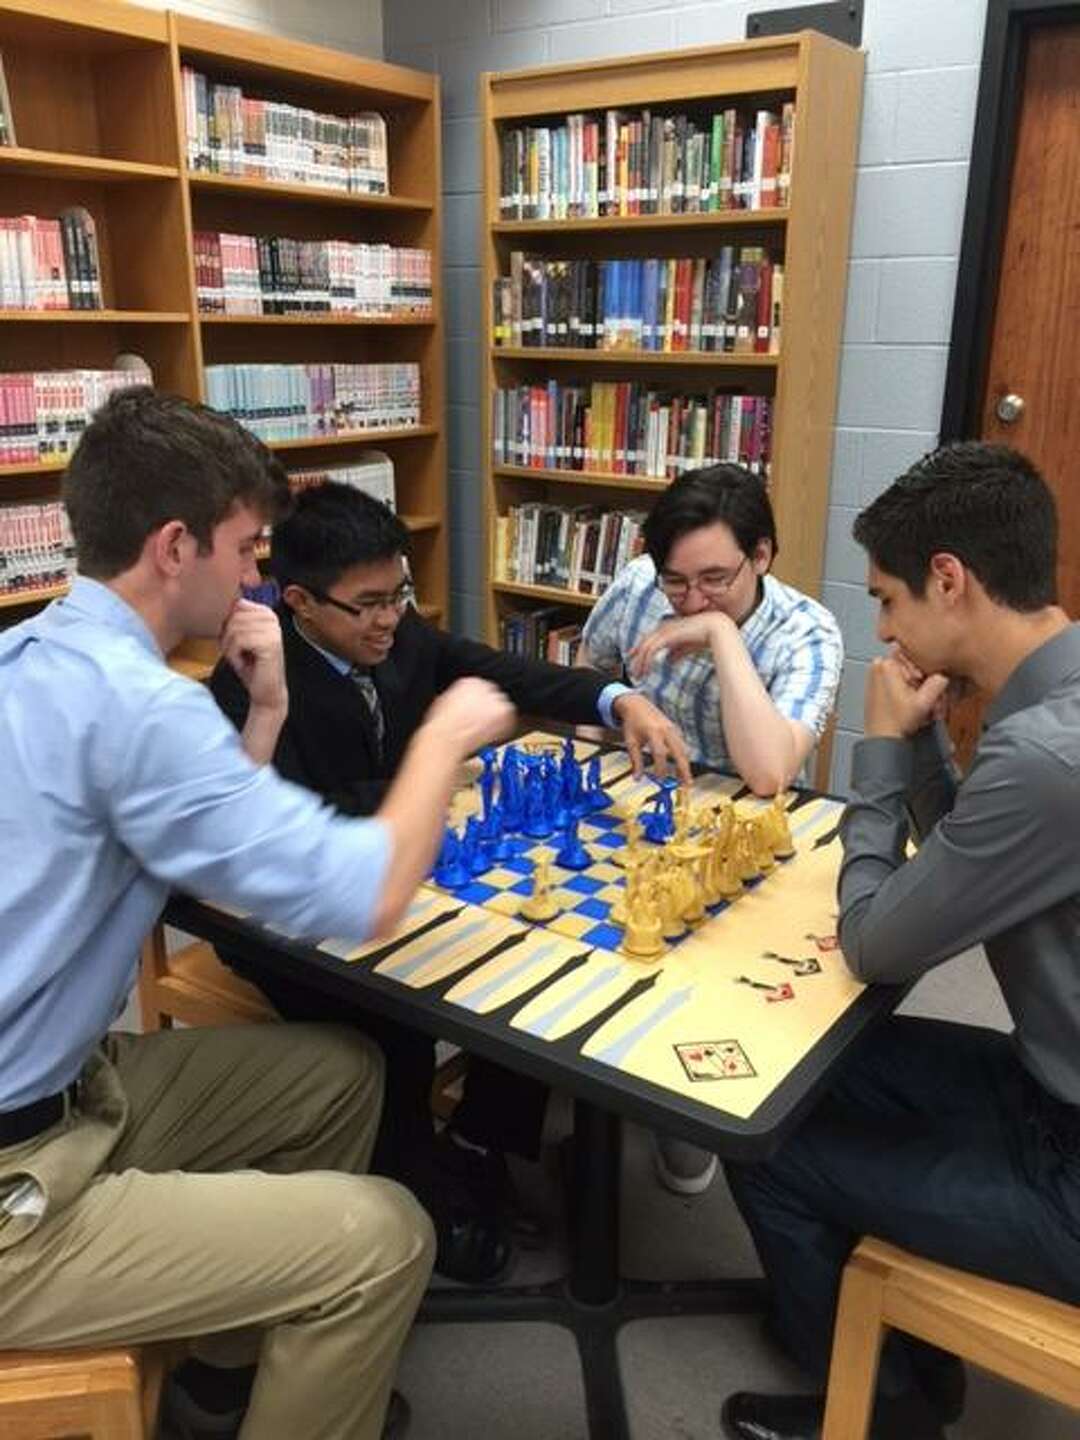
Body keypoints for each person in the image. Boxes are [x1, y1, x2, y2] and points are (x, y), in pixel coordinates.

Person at [0, 387, 518, 1440]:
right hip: (17, 1185)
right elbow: (366, 891)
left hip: (71, 1085)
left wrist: (270, 709)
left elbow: (204, 860)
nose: (256, 577)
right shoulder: (141, 708)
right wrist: (446, 735)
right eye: (246, 549)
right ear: (175, 545)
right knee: (386, 1237)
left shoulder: (41, 654)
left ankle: (229, 1372)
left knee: (345, 1072)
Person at [208, 480, 692, 1283]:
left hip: (402, 875)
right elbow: (287, 819)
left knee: (523, 970)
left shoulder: (401, 639)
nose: (391, 617)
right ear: (298, 601)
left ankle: (479, 1143)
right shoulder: (248, 679)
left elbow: (505, 672)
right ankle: (423, 1183)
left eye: (398, 591)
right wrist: (434, 771)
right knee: (392, 1031)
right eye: (367, 604)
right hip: (281, 919)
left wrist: (617, 698)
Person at [720, 442, 1080, 1440]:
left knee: (760, 1138)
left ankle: (881, 1412)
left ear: (950, 581)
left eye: (887, 600)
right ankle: (906, 1353)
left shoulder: (1050, 756)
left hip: (1073, 1168)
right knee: (818, 1070)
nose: (882, 628)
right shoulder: (1057, 706)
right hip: (1052, 1090)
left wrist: (879, 749)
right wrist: (922, 741)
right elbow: (973, 857)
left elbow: (879, 942)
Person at [579, 462, 843, 1194]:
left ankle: (676, 1106)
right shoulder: (636, 587)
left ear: (762, 556)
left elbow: (767, 773)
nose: (690, 598)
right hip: (638, 801)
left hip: (739, 835)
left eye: (717, 579)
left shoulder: (807, 632)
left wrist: (721, 637)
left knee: (693, 970)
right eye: (677, 582)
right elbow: (589, 674)